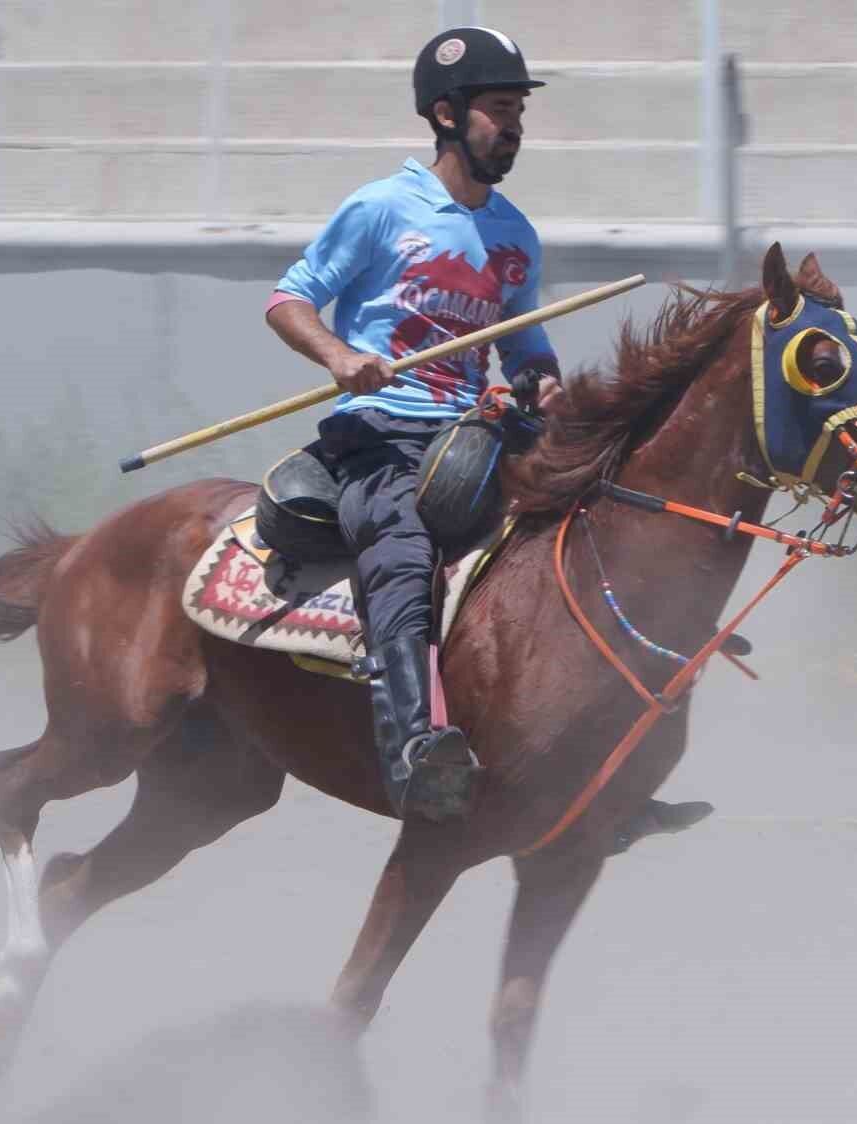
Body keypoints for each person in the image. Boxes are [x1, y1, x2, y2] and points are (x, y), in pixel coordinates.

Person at [266, 26, 560, 822]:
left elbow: (524, 343)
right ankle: (414, 747)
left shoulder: (514, 235)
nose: (516, 127)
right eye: (500, 110)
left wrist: (543, 381)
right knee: (400, 550)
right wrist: (337, 356)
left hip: (476, 434)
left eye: (519, 112)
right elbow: (288, 300)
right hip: (380, 435)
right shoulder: (380, 207)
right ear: (445, 114)